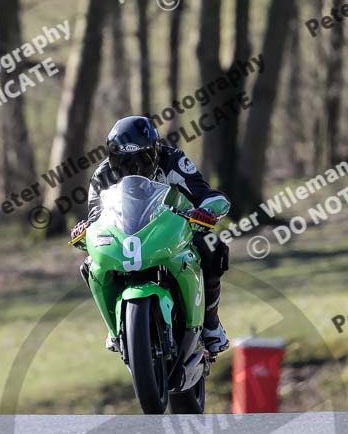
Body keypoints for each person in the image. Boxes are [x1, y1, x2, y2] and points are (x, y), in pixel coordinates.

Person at [71, 115, 231, 353]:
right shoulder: (102, 175)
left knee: (213, 247)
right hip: (125, 234)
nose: (133, 168)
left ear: (156, 152)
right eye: (123, 161)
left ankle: (210, 324)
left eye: (141, 159)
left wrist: (206, 211)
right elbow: (96, 218)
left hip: (174, 229)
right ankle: (115, 326)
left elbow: (205, 193)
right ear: (111, 157)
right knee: (90, 265)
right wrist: (85, 230)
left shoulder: (173, 161)